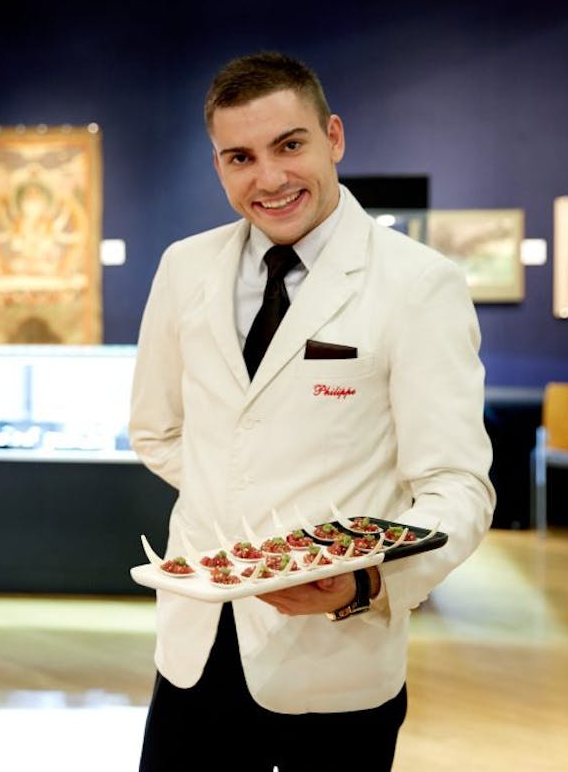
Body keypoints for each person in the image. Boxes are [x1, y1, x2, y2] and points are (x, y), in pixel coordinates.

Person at [128, 51, 496, 771]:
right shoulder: (184, 267)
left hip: (335, 661)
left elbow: (458, 486)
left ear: (333, 138)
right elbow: (157, 429)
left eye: (289, 145)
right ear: (218, 166)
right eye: (240, 156)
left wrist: (365, 580)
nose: (268, 178)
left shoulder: (419, 285)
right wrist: (241, 498)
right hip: (194, 651)